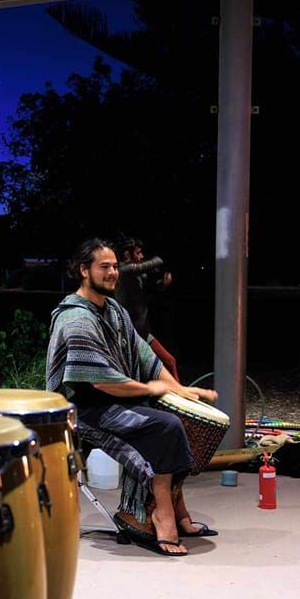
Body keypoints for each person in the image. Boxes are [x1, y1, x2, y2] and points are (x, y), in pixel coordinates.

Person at [47, 237, 218, 557]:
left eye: (115, 266)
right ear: (84, 271)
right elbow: (101, 383)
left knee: (180, 417)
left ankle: (167, 506)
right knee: (165, 426)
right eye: (104, 267)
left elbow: (146, 359)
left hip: (118, 400)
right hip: (87, 409)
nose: (113, 272)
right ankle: (160, 512)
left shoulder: (113, 310)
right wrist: (153, 390)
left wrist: (179, 391)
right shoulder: (76, 317)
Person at [115, 235, 181, 381]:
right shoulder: (124, 270)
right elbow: (151, 263)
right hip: (129, 335)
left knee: (170, 361)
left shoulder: (135, 275)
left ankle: (181, 394)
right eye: (138, 252)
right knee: (139, 374)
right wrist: (159, 259)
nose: (141, 256)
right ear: (127, 254)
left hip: (142, 332)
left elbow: (151, 287)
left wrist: (163, 283)